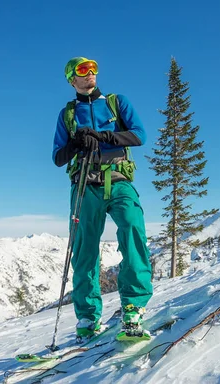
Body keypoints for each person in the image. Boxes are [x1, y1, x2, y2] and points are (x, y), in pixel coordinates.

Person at [52, 57, 153, 340]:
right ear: (72, 79)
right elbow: (58, 158)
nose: (91, 74)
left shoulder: (115, 102)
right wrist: (76, 142)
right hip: (85, 185)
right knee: (84, 251)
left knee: (132, 231)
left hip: (118, 180)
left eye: (94, 68)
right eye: (83, 70)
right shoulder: (67, 115)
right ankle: (87, 317)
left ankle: (133, 306)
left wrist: (104, 136)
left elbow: (139, 135)